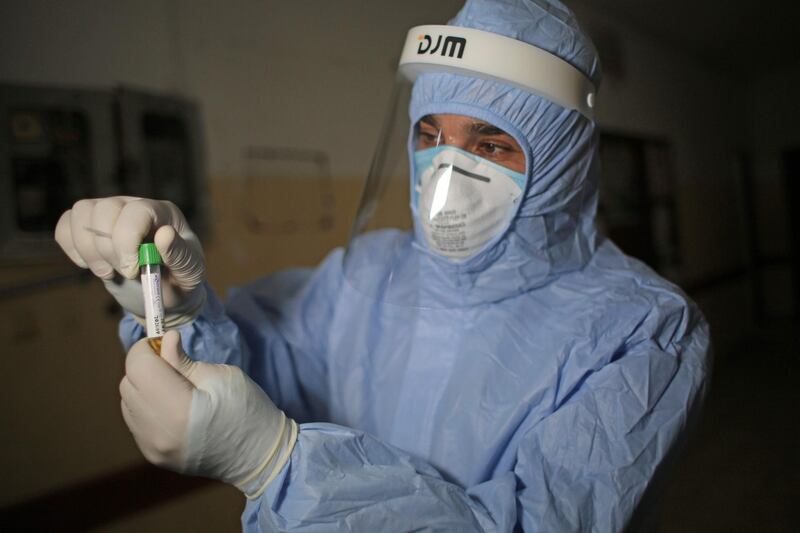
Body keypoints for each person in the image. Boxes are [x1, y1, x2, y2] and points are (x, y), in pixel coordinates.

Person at [54, 0, 711, 531]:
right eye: (430, 136)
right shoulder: (370, 269)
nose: (448, 169)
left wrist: (278, 465)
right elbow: (267, 363)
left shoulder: (642, 330)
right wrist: (176, 307)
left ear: (563, 164)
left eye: (489, 142)